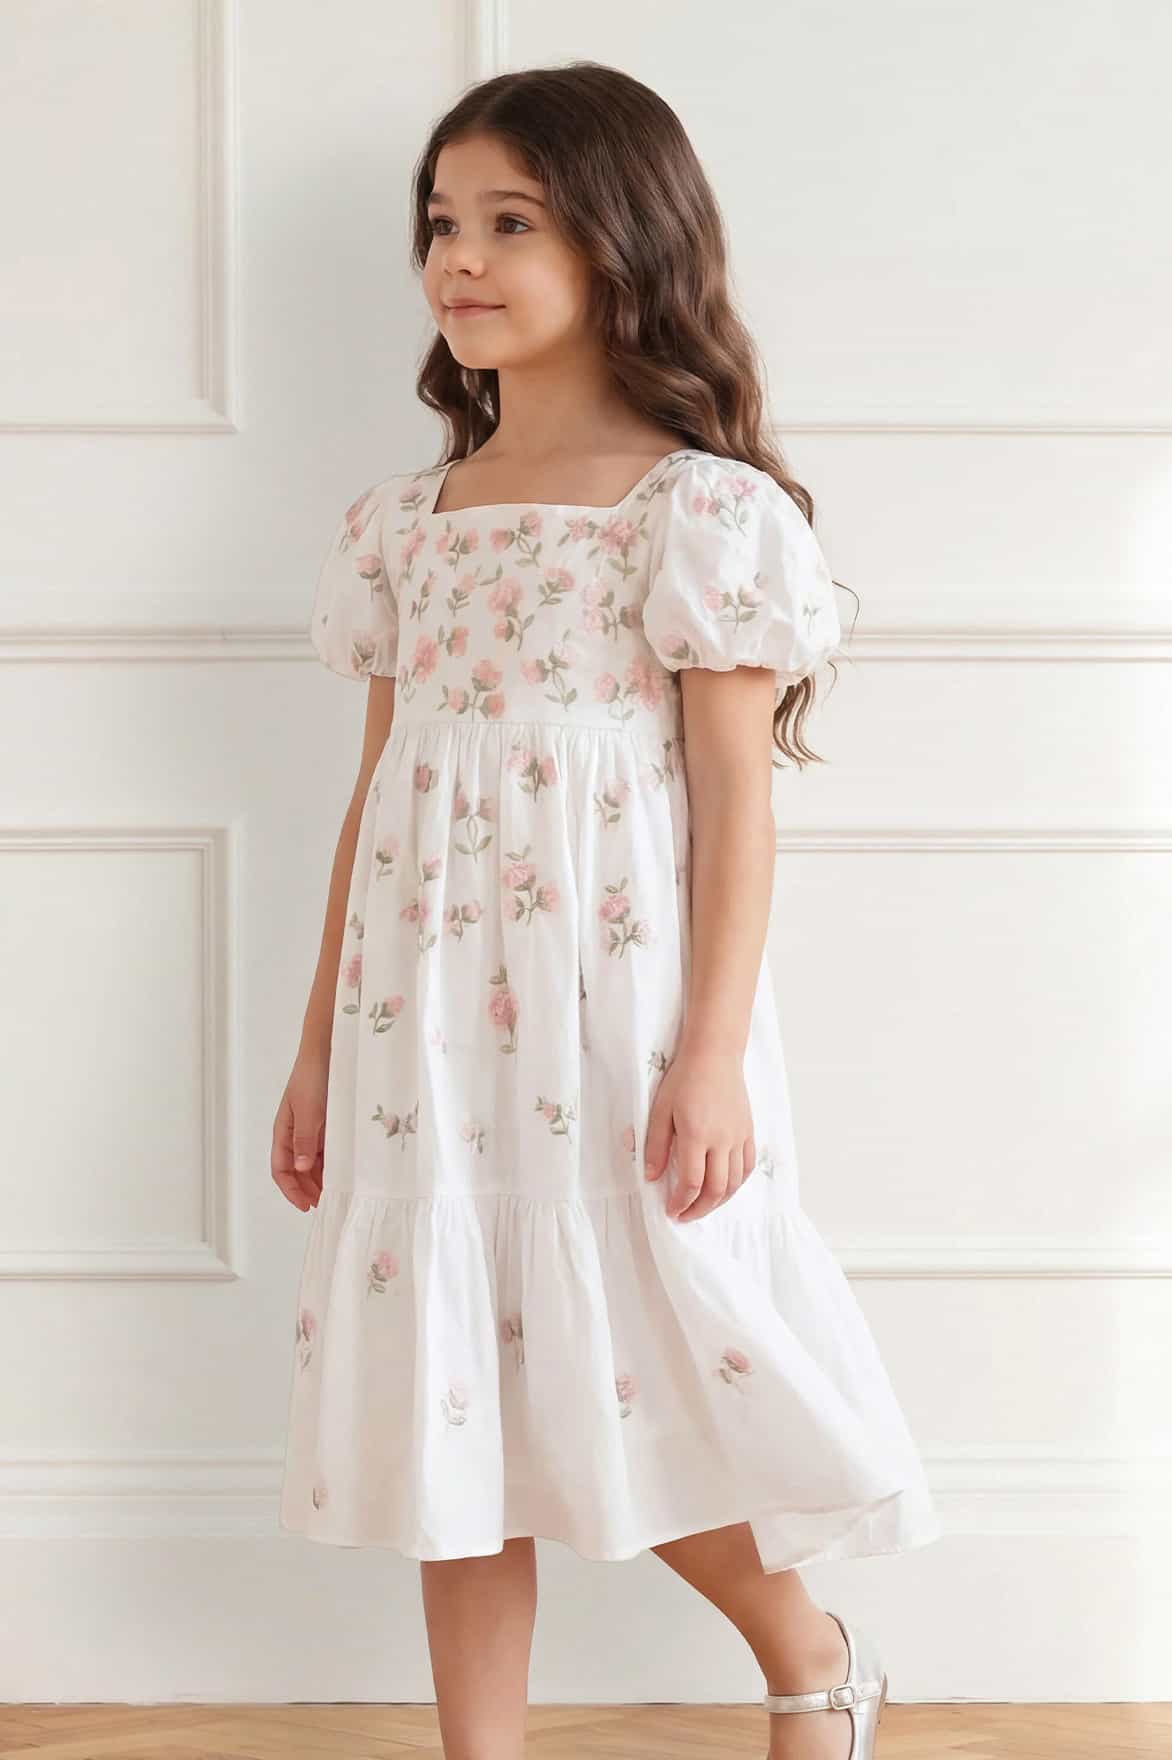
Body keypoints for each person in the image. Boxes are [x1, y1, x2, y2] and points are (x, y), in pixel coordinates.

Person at [272, 60, 941, 1760]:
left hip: (618, 1018)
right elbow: (376, 801)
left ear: (620, 241)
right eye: (443, 223)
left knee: (656, 1355)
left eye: (512, 222)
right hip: (421, 1025)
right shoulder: (408, 527)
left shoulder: (696, 511)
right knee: (450, 1409)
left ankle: (810, 1655)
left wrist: (709, 1054)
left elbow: (734, 806)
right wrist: (313, 1052)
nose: (459, 259)